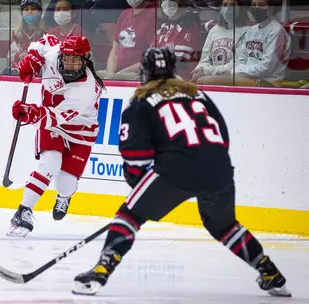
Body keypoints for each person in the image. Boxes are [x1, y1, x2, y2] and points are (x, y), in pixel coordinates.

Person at [72, 47, 291, 298]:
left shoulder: (141, 103)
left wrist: (138, 183)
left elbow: (135, 154)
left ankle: (101, 271)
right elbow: (223, 137)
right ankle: (270, 272)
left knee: (129, 216)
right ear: (173, 71)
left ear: (144, 73)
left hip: (175, 171)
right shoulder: (198, 95)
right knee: (225, 227)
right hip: (219, 168)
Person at [8, 34, 105, 237]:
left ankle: (65, 196)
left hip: (79, 132)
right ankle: (23, 211)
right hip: (51, 125)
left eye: (75, 60)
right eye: (66, 58)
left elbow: (57, 116)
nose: (69, 64)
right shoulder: (54, 55)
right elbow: (45, 40)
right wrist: (33, 57)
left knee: (65, 184)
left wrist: (31, 112)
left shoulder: (86, 89)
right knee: (50, 164)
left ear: (85, 59)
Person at [191, 0, 252, 84]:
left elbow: (236, 64)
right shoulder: (214, 30)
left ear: (241, 8)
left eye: (233, 5)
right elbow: (205, 58)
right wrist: (200, 69)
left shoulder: (248, 32)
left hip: (231, 81)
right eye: (225, 5)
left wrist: (207, 71)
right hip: (209, 79)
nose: (228, 9)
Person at [156, 0, 203, 80]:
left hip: (182, 77)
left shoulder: (189, 25)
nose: (167, 1)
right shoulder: (162, 25)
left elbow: (177, 63)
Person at [5, 0, 45, 75]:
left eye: (33, 9)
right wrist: (19, 55)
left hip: (38, 71)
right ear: (22, 13)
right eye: (26, 9)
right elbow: (10, 53)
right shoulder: (16, 33)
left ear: (40, 12)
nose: (29, 12)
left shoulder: (45, 33)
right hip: (18, 70)